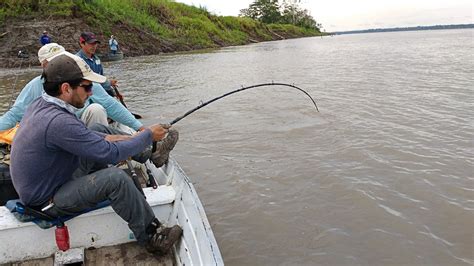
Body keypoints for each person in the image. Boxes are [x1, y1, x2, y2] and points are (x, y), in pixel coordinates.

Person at [10, 52, 182, 255]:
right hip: (46, 200)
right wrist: (147, 135)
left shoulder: (43, 104)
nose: (91, 93)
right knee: (115, 179)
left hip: (53, 178)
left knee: (100, 130)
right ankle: (152, 237)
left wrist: (143, 138)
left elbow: (94, 138)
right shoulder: (57, 121)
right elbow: (110, 154)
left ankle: (151, 154)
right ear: (66, 88)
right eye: (87, 87)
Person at [0, 43, 143, 132]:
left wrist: (139, 127)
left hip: (83, 128)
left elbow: (109, 103)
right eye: (54, 62)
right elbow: (14, 114)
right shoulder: (34, 86)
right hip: (57, 131)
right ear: (43, 66)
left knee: (97, 109)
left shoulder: (83, 79)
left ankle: (98, 157)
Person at [76, 32, 117, 96]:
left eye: (95, 43)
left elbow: (101, 76)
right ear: (82, 44)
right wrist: (108, 83)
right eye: (90, 44)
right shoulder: (77, 60)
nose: (94, 46)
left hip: (99, 92)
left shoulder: (96, 59)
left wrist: (112, 91)